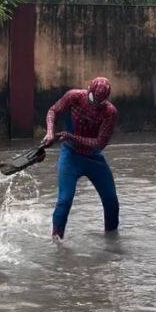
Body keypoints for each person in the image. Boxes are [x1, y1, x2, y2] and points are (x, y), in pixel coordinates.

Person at [42, 77, 119, 242]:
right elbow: (53, 111)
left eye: (100, 102)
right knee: (65, 200)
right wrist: (50, 132)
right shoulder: (74, 96)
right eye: (92, 99)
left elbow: (99, 143)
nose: (94, 104)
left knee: (111, 201)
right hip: (71, 156)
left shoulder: (109, 112)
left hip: (94, 158)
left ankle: (112, 241)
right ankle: (56, 242)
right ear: (88, 90)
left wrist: (71, 136)